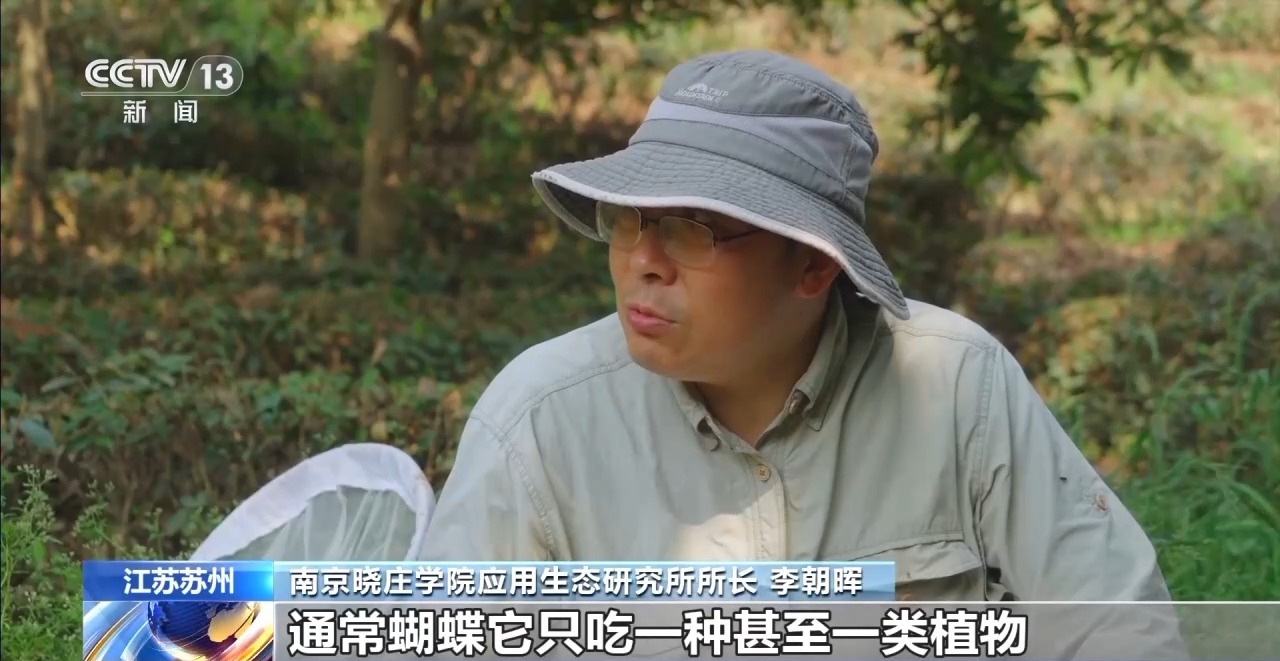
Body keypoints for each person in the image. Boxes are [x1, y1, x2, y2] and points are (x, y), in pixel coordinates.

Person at [419, 49, 1185, 657]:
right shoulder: (541, 424)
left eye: (689, 230)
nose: (644, 261)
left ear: (814, 265)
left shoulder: (955, 388)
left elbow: (1118, 626)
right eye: (629, 221)